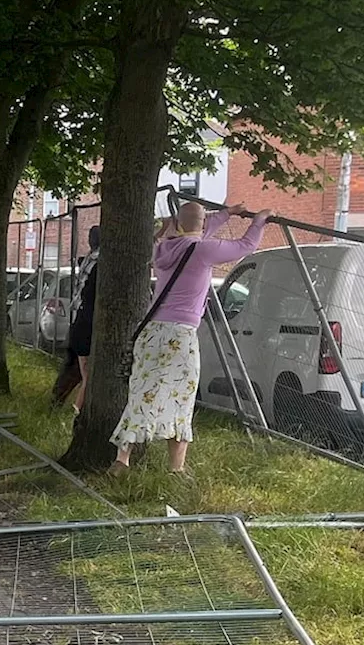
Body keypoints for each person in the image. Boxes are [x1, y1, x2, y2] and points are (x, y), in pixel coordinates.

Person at [108, 203, 272, 477]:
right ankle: (177, 469)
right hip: (179, 335)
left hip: (150, 332)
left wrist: (225, 214)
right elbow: (244, 245)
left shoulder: (162, 249)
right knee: (181, 397)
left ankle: (121, 459)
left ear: (178, 223)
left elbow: (196, 231)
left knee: (142, 394)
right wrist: (259, 220)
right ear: (203, 224)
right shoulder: (203, 251)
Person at [64, 225, 101, 414]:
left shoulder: (89, 257)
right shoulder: (98, 259)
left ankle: (61, 401)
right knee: (85, 375)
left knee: (75, 369)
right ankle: (76, 413)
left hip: (78, 315)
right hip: (85, 321)